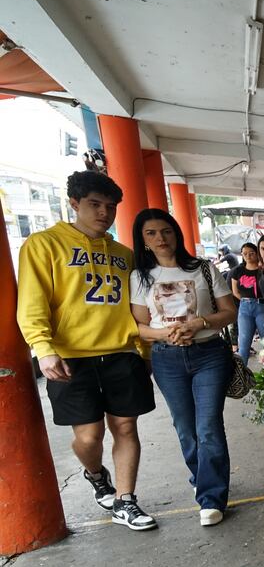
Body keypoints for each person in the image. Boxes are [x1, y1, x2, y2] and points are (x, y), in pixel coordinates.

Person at [16, 170, 158, 531]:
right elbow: (32, 303)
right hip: (70, 357)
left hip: (122, 352)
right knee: (88, 437)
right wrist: (43, 348)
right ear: (74, 203)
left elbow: (135, 308)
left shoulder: (124, 255)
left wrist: (144, 352)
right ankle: (95, 474)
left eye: (110, 207)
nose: (104, 213)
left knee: (126, 427)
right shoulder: (44, 245)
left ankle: (126, 500)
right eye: (95, 204)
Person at [128, 209, 238, 527]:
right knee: (185, 428)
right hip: (167, 357)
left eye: (166, 231)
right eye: (151, 233)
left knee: (208, 427)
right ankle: (201, 477)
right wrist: (168, 333)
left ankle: (212, 497)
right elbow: (139, 326)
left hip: (209, 355)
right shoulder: (141, 278)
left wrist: (199, 323)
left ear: (176, 233)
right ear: (144, 240)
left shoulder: (202, 269)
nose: (161, 238)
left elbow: (229, 311)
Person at [230, 242, 264, 361]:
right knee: (244, 343)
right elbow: (235, 291)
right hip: (245, 307)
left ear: (257, 254)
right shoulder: (237, 271)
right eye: (245, 254)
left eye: (251, 253)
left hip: (262, 306)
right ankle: (242, 375)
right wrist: (246, 301)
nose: (248, 256)